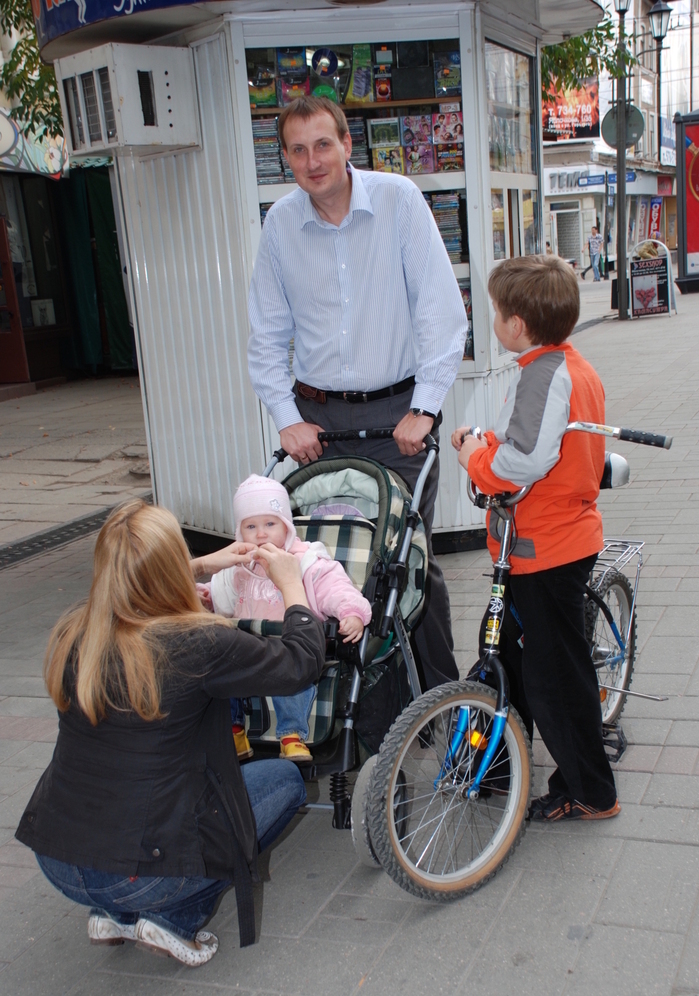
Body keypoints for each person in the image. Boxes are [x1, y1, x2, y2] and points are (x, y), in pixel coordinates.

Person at [16, 499, 325, 966]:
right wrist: (291, 585)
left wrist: (202, 564)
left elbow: (133, 580)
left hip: (57, 858)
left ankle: (113, 913)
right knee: (283, 781)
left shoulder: (75, 629)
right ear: (168, 566)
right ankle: (172, 919)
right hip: (145, 871)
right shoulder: (200, 643)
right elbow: (302, 663)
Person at [248, 95, 468, 690]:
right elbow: (266, 337)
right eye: (298, 149)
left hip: (400, 418)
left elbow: (442, 316)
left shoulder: (399, 201)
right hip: (319, 425)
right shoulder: (280, 225)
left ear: (347, 145)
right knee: (324, 561)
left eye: (323, 144)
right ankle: (354, 706)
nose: (313, 160)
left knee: (408, 566)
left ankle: (446, 706)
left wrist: (425, 407)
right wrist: (286, 417)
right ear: (287, 159)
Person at [451, 255, 619, 823]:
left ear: (516, 323)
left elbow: (523, 458)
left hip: (546, 550)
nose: (492, 320)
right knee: (503, 654)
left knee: (556, 679)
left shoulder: (545, 373)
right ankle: (494, 767)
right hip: (540, 546)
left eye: (495, 312)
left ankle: (590, 790)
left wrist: (476, 457)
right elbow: (532, 436)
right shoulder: (557, 364)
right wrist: (485, 437)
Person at [198, 474, 371, 762]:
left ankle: (292, 734)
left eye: (270, 524)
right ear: (239, 532)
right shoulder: (238, 569)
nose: (261, 534)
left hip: (288, 653)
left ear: (286, 526)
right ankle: (234, 730)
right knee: (219, 668)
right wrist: (204, 597)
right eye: (251, 526)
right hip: (246, 654)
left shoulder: (305, 561)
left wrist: (351, 612)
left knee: (292, 679)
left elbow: (335, 588)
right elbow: (220, 597)